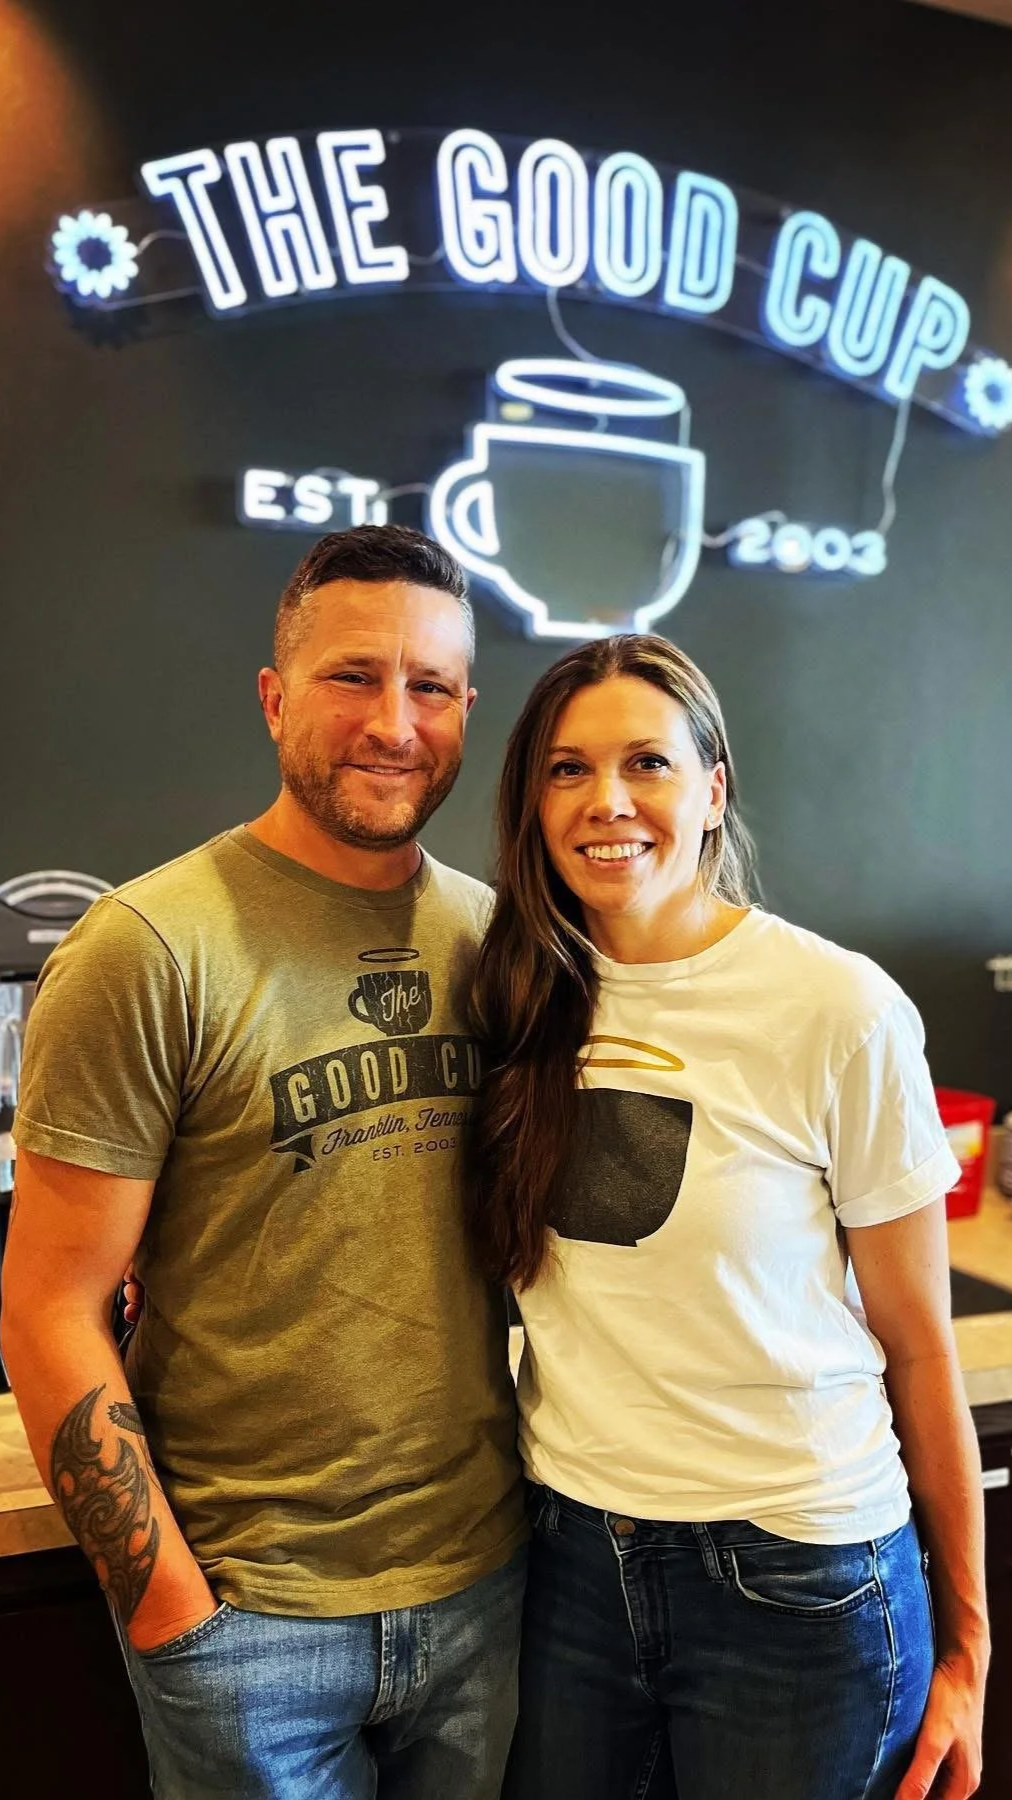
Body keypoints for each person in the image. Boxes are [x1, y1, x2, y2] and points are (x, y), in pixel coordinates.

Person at [1, 525, 526, 1800]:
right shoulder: (145, 949)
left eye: (432, 687)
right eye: (354, 676)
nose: (395, 722)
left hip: (491, 1586)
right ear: (274, 694)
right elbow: (45, 1303)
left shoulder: (500, 941)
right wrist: (173, 1611)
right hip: (248, 1618)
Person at [466, 632, 988, 1800]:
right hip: (568, 1562)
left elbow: (918, 1341)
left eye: (646, 763)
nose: (606, 801)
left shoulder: (834, 1007)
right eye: (566, 769)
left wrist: (968, 1646)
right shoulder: (514, 988)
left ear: (711, 790)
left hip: (799, 1577)